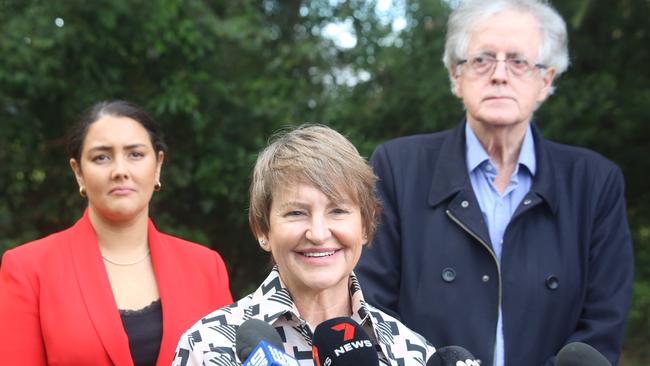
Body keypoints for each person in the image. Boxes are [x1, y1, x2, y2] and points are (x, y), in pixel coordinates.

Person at [355, 1, 634, 366]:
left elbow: (601, 327)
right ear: (456, 77)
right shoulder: (397, 167)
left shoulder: (595, 182)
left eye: (518, 62)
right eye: (483, 59)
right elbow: (371, 307)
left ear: (545, 81)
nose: (499, 75)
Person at [173, 125, 435, 365]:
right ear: (262, 230)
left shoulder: (411, 351)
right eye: (296, 213)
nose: (319, 234)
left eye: (338, 211)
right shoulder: (208, 346)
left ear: (366, 226)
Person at [0, 100, 233, 365]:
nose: (120, 171)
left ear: (157, 165)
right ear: (78, 172)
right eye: (102, 157)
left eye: (135, 154)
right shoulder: (28, 269)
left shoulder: (205, 267)